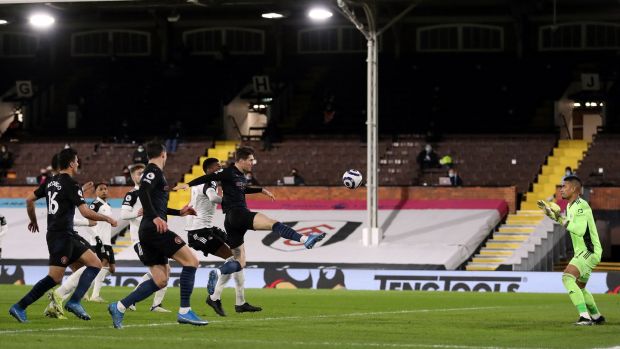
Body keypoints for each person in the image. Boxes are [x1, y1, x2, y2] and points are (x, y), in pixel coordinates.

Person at [177, 146, 326, 296]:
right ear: (241, 160)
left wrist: (260, 190)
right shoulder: (228, 172)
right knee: (273, 223)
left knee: (240, 262)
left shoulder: (240, 177)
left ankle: (217, 273)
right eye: (250, 160)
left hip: (231, 221)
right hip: (239, 214)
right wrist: (187, 184)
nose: (252, 163)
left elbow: (242, 189)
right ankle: (305, 238)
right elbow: (206, 178)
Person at [9, 148, 118, 323]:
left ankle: (74, 301)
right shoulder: (71, 184)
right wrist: (108, 218)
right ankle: (20, 306)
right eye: (76, 160)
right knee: (55, 278)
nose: (78, 163)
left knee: (95, 263)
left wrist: (33, 220)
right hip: (62, 236)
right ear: (70, 163)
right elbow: (85, 212)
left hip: (63, 234)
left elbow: (29, 200)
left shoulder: (50, 182)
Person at [107, 142, 204, 329]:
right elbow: (143, 190)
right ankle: (185, 311)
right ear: (164, 154)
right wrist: (155, 217)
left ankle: (119, 306)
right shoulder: (153, 171)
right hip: (154, 229)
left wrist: (179, 213)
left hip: (147, 231)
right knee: (192, 262)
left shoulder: (155, 173)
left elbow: (158, 203)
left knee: (161, 280)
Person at [186, 158, 261, 317]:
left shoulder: (199, 185)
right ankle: (215, 297)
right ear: (210, 169)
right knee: (233, 261)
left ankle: (240, 302)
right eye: (217, 167)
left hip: (208, 229)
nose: (220, 169)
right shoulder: (211, 183)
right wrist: (230, 201)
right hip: (199, 232)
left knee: (239, 259)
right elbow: (213, 197)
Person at [538, 174, 605, 325]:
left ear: (574, 188)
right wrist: (552, 215)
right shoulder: (570, 206)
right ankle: (596, 316)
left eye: (564, 186)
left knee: (567, 278)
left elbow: (580, 230)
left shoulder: (582, 205)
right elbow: (569, 224)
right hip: (586, 251)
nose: (561, 189)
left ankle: (584, 317)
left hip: (588, 250)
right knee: (580, 287)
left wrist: (561, 219)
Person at [120, 163, 170, 312]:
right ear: (132, 176)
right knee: (159, 270)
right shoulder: (132, 194)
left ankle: (155, 304)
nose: (141, 175)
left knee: (166, 269)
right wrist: (138, 213)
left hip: (155, 237)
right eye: (138, 173)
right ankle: (131, 301)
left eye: (143, 172)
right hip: (140, 239)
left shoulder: (150, 193)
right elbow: (123, 214)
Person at [86, 183, 116, 302]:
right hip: (98, 241)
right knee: (103, 263)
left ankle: (86, 286)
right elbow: (88, 222)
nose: (104, 191)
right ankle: (95, 295)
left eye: (105, 189)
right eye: (101, 189)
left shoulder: (107, 205)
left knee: (112, 269)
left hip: (107, 241)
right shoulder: (94, 204)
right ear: (96, 192)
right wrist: (96, 237)